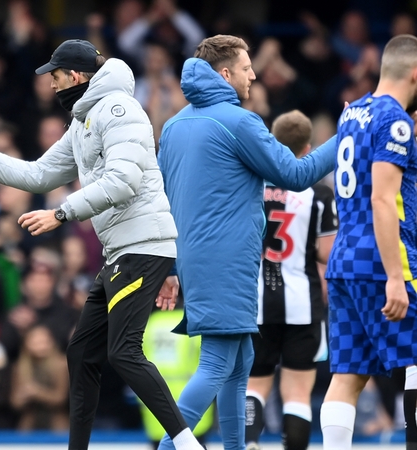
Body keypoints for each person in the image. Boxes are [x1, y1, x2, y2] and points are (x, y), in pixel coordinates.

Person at [0, 39, 203, 450]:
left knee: (122, 352)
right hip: (126, 249)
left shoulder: (119, 109)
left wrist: (61, 213)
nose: (51, 86)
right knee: (82, 351)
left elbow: (123, 182)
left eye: (55, 77)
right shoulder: (85, 119)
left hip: (140, 246)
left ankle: (186, 444)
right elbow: (39, 175)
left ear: (76, 75)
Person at [155, 35, 337, 450]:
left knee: (240, 363)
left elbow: (161, 199)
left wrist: (169, 267)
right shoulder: (240, 121)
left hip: (196, 260)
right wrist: (347, 137)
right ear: (225, 73)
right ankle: (169, 447)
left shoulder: (175, 125)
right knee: (218, 363)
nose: (253, 74)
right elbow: (295, 175)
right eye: (246, 67)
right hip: (227, 262)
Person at [320, 34, 417, 450]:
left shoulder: (352, 112)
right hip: (382, 257)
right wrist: (395, 277)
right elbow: (382, 197)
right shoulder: (394, 121)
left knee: (349, 375)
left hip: (344, 260)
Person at [244, 110, 338, 450]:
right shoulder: (319, 194)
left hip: (255, 303)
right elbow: (327, 254)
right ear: (308, 147)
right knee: (298, 391)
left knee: (254, 384)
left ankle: (249, 442)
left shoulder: (253, 187)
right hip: (304, 303)